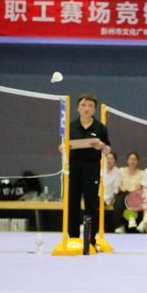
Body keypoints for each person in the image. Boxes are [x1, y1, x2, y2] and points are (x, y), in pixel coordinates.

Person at [61, 93, 111, 246]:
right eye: (83, 105)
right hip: (73, 167)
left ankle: (90, 238)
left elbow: (108, 149)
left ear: (94, 109)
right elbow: (62, 147)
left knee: (90, 203)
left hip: (91, 167)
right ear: (78, 108)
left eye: (90, 106)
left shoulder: (100, 127)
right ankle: (73, 237)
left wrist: (101, 146)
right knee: (73, 203)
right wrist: (64, 147)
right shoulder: (70, 126)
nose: (86, 108)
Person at [113, 152, 144, 233]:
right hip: (123, 192)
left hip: (135, 194)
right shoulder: (121, 171)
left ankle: (131, 218)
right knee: (119, 202)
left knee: (132, 198)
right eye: (131, 159)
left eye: (135, 159)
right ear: (127, 160)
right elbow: (118, 184)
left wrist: (137, 189)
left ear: (137, 161)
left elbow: (142, 186)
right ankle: (121, 225)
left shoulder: (142, 173)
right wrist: (121, 188)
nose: (132, 161)